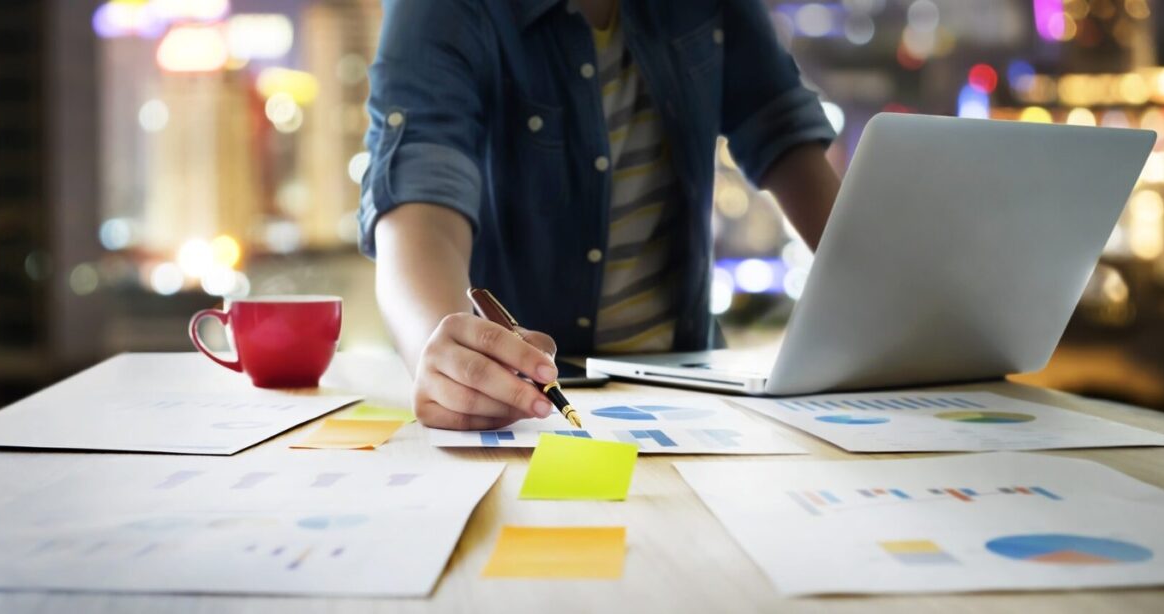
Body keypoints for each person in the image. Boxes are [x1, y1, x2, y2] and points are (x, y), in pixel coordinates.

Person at [358, 0, 841, 430]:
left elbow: (783, 134)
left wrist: (893, 309)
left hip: (693, 394)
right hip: (528, 406)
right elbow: (419, 196)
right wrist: (444, 353)